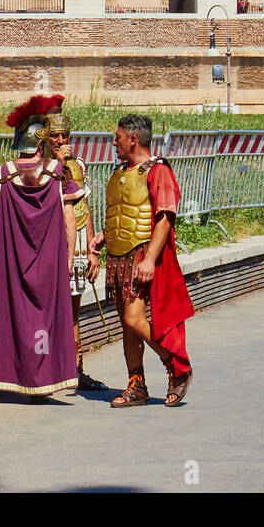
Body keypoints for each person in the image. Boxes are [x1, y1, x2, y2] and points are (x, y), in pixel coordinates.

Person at [0, 94, 81, 396]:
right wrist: (69, 258)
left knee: (19, 317)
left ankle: (21, 379)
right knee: (45, 319)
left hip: (13, 262)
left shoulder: (1, 176)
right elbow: (69, 219)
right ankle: (46, 379)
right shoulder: (57, 174)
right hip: (50, 261)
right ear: (40, 142)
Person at [89, 114, 194, 407]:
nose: (114, 143)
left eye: (118, 138)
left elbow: (164, 218)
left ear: (133, 140)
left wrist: (149, 260)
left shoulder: (158, 170)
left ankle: (176, 365)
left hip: (140, 256)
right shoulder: (121, 171)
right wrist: (103, 237)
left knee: (133, 319)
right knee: (128, 325)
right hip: (118, 256)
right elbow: (124, 214)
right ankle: (137, 385)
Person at [39, 110, 109, 392]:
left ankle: (75, 369)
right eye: (54, 136)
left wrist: (93, 249)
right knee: (45, 307)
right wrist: (57, 163)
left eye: (64, 135)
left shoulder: (77, 165)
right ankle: (45, 368)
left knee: (72, 308)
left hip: (76, 238)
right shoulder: (38, 166)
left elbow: (83, 207)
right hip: (48, 239)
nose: (60, 140)